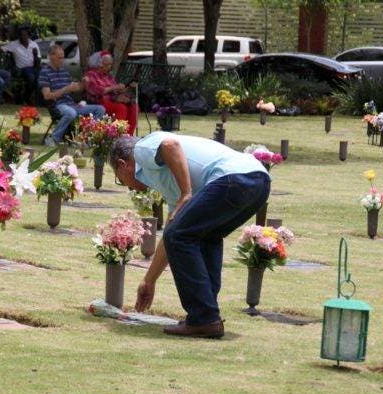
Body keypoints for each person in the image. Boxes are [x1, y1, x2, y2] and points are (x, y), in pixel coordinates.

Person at [109, 133, 271, 338]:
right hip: (259, 181)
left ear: (123, 165)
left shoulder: (141, 149)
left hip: (233, 178)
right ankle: (207, 314)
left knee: (181, 236)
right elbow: (171, 232)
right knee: (204, 236)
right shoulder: (167, 180)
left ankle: (204, 318)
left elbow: (170, 144)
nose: (127, 185)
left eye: (119, 179)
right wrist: (149, 280)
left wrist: (186, 193)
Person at [39, 44, 105, 146]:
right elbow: (47, 95)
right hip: (57, 105)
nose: (62, 60)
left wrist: (83, 83)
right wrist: (66, 89)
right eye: (59, 58)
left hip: (71, 104)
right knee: (71, 113)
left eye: (63, 57)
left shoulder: (64, 71)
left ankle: (83, 139)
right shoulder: (44, 72)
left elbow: (75, 89)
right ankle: (53, 138)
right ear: (51, 56)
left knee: (100, 109)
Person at [83, 51, 138, 135]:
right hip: (99, 102)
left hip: (112, 100)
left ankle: (128, 135)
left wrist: (123, 90)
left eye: (110, 65)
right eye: (106, 64)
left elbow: (114, 91)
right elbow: (96, 90)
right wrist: (114, 88)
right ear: (98, 64)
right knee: (121, 108)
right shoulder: (91, 75)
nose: (109, 67)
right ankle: (116, 135)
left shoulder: (108, 76)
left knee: (134, 107)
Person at [1, 27, 40, 105]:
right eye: (21, 35)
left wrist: (35, 56)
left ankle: (26, 98)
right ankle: (25, 98)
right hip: (22, 69)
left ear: (28, 36)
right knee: (31, 78)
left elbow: (38, 59)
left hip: (34, 67)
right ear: (19, 36)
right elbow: (2, 49)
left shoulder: (33, 44)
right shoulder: (14, 44)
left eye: (25, 35)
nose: (24, 37)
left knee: (41, 78)